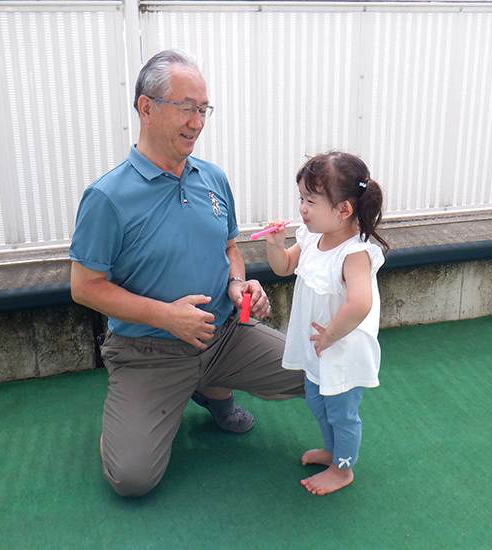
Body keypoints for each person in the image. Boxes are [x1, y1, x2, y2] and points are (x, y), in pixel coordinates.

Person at [69, 50, 305, 498]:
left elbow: (230, 248)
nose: (196, 121)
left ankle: (211, 388)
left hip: (225, 336)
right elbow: (84, 288)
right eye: (185, 107)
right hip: (148, 351)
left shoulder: (212, 178)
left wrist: (238, 284)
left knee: (317, 374)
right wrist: (165, 316)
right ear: (146, 107)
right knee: (131, 479)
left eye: (203, 109)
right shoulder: (106, 196)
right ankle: (150, 410)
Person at [261, 151, 389, 495]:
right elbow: (283, 267)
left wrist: (332, 334)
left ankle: (343, 469)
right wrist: (276, 246)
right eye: (301, 198)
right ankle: (333, 452)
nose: (302, 208)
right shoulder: (311, 238)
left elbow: (360, 303)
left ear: (343, 210)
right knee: (317, 401)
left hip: (342, 349)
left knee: (342, 412)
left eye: (310, 201)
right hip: (320, 346)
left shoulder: (354, 253)